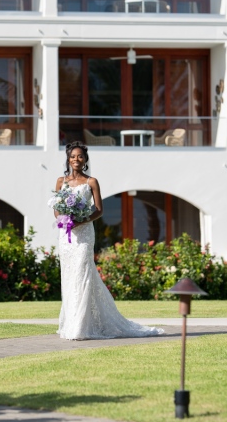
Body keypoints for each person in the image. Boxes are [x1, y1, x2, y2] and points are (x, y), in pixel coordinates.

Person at [53, 141, 164, 340]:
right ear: (68, 159)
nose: (76, 160)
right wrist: (65, 219)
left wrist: (81, 220)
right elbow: (56, 208)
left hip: (84, 233)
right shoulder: (61, 181)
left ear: (85, 159)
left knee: (83, 273)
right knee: (70, 277)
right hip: (67, 236)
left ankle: (80, 327)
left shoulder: (91, 182)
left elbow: (99, 210)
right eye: (73, 156)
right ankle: (73, 323)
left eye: (80, 156)